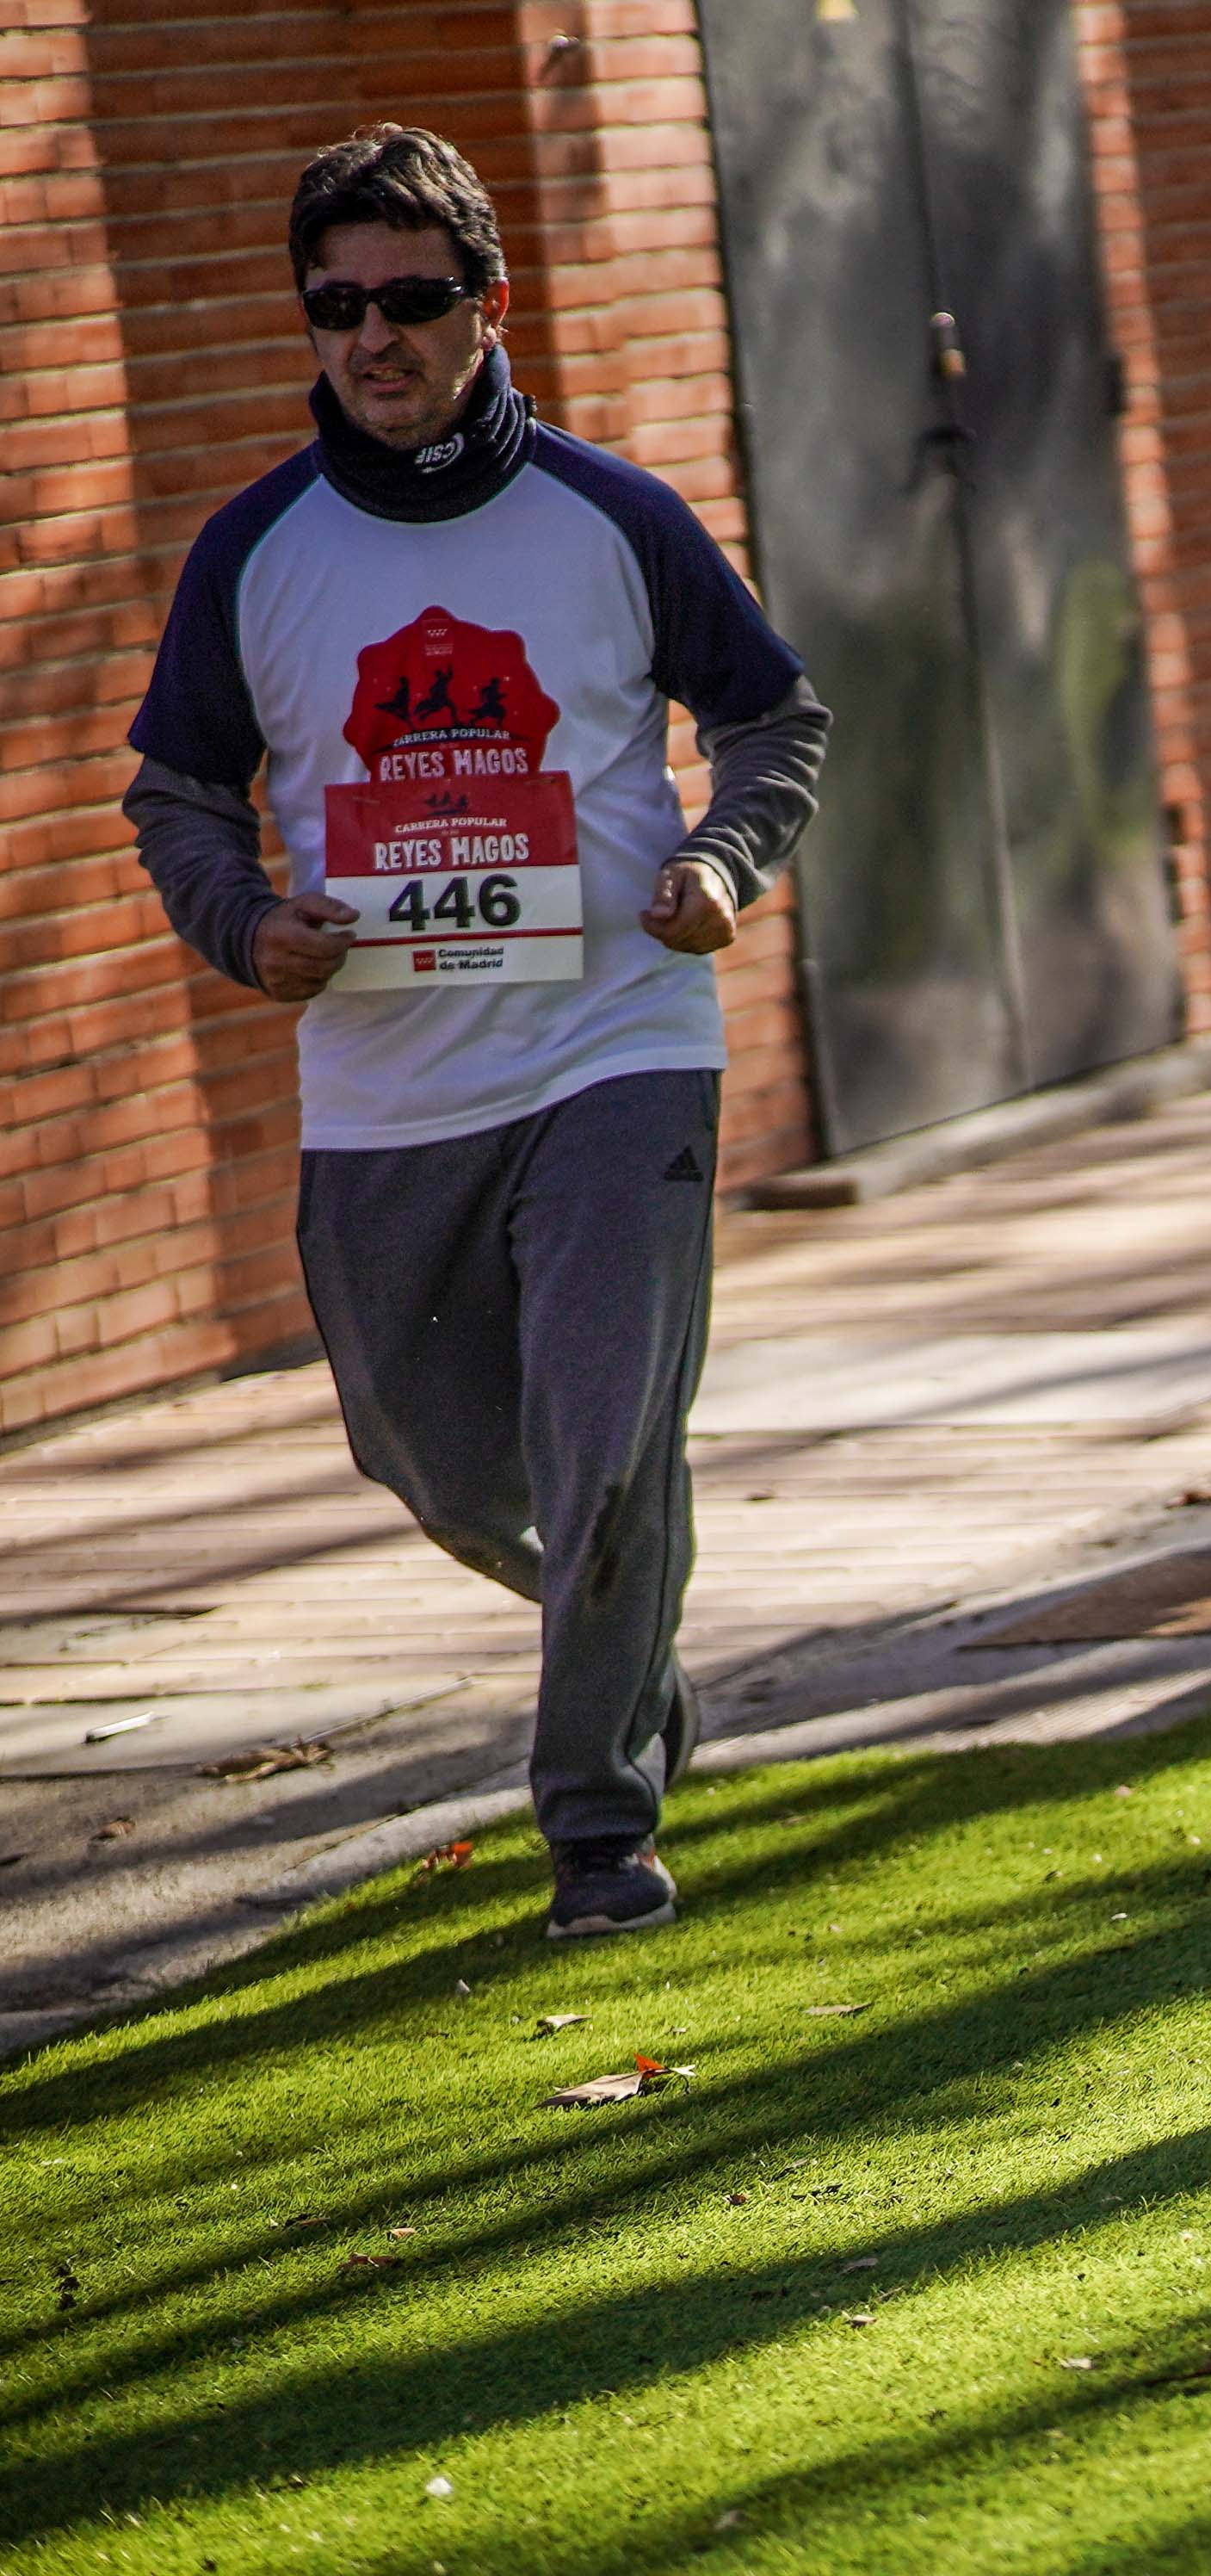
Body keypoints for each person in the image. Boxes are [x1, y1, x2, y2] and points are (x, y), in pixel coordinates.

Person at [119, 126, 828, 1942]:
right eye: (339, 302)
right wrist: (246, 921)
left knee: (605, 1438)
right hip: (382, 1077)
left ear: (491, 305)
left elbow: (775, 723)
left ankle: (598, 1825)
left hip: (615, 1041)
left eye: (413, 300)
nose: (375, 335)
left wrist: (725, 860)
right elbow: (181, 795)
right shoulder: (255, 551)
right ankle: (630, 1639)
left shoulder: (614, 515)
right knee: (432, 1459)